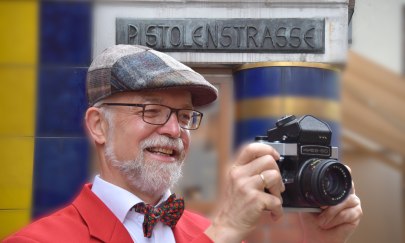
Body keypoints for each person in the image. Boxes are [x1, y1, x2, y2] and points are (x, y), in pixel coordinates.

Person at [4, 45, 362, 243]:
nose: (175, 130)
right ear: (98, 126)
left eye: (185, 115)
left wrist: (319, 241)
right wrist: (223, 232)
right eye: (153, 110)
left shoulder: (201, 230)